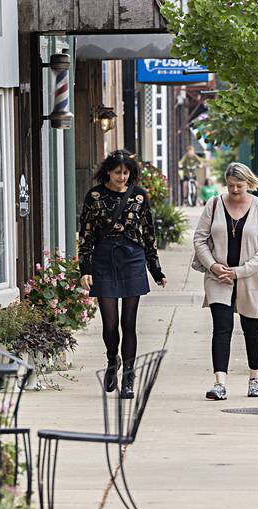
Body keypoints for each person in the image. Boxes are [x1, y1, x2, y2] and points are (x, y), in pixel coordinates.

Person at [79, 150, 167, 398]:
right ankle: (111, 361)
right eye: (118, 172)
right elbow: (85, 234)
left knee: (129, 322)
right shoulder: (94, 196)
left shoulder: (139, 195)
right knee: (110, 324)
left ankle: (129, 377)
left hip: (132, 257)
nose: (122, 177)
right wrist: (85, 268)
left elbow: (149, 233)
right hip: (104, 257)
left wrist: (155, 269)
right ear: (108, 171)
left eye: (126, 173)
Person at [193, 162, 258, 400]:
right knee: (221, 327)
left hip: (250, 278)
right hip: (219, 278)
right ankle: (219, 383)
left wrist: (240, 271)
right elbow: (200, 239)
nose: (235, 190)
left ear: (248, 184)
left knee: (252, 329)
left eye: (239, 186)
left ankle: (254, 379)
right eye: (230, 186)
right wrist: (213, 265)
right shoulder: (214, 204)